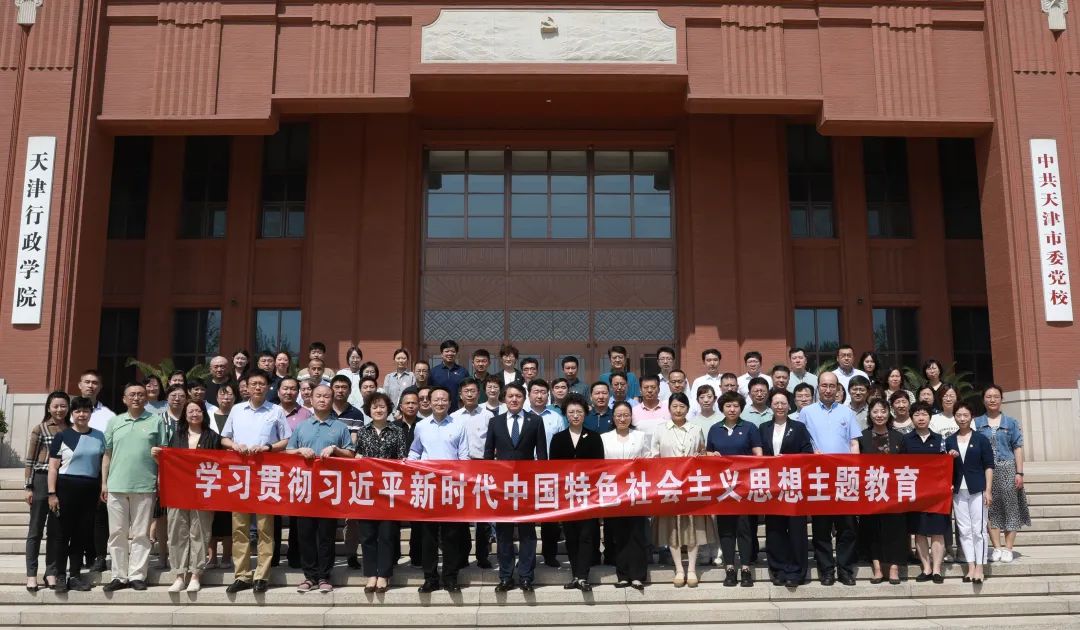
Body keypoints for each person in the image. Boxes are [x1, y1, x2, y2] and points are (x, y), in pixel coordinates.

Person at [219, 369, 293, 593]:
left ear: (268, 387)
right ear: (247, 387)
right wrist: (235, 445)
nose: (258, 387)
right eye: (254, 384)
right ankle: (242, 575)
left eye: (262, 383)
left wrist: (268, 447)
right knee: (239, 527)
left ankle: (262, 575)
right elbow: (224, 438)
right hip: (240, 475)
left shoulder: (276, 410)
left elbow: (286, 440)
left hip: (266, 474)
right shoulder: (237, 409)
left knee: (264, 527)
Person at [284, 384, 353, 593]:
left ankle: (324, 576)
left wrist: (335, 449)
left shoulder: (340, 427)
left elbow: (351, 454)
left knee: (326, 535)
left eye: (326, 396)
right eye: (318, 396)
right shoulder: (302, 426)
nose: (322, 400)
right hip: (305, 489)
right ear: (311, 400)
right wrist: (299, 451)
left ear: (332, 400)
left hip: (329, 490)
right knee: (305, 535)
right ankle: (309, 576)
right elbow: (287, 452)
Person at [101, 381, 167, 592]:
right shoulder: (115, 421)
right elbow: (107, 454)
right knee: (116, 532)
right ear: (124, 399)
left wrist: (159, 479)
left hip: (145, 485)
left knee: (141, 533)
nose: (136, 398)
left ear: (146, 398)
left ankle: (138, 575)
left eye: (140, 394)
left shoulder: (157, 421)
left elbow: (164, 454)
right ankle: (119, 576)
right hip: (116, 485)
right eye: (132, 394)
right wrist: (104, 482)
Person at [153, 400, 221, 593]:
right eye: (190, 411)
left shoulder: (212, 436)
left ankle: (196, 574)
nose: (194, 414)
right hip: (178, 491)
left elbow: (222, 459)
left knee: (199, 532)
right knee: (177, 532)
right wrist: (157, 456)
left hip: (202, 492)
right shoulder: (177, 436)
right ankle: (179, 575)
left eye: (198, 410)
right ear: (185, 414)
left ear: (204, 413)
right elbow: (167, 462)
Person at [800, 371, 861, 586]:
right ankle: (826, 570)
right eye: (824, 386)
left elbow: (854, 443)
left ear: (837, 389)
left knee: (847, 528)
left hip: (844, 477)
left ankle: (845, 570)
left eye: (832, 386)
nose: (828, 390)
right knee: (821, 528)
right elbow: (801, 441)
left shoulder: (847, 412)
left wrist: (856, 471)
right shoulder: (806, 412)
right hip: (819, 478)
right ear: (818, 387)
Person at [486, 383, 548, 591]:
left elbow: (542, 455)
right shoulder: (495, 422)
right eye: (510, 396)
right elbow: (488, 455)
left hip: (526, 485)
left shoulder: (535, 421)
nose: (514, 399)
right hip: (502, 486)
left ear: (524, 398)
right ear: (504, 399)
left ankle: (526, 576)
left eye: (518, 396)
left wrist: (540, 483)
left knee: (527, 532)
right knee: (503, 532)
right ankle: (505, 576)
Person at [409, 387, 469, 592]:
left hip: (451, 487)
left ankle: (450, 577)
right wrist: (408, 464)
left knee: (451, 535)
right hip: (428, 486)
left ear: (450, 402)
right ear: (429, 402)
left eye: (444, 399)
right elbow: (415, 451)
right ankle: (430, 577)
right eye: (436, 400)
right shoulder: (421, 426)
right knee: (428, 536)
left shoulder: (459, 425)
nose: (440, 403)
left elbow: (464, 456)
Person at [652, 394, 716, 588]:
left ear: (688, 409)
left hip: (691, 486)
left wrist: (705, 456)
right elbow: (653, 457)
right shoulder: (660, 430)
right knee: (672, 528)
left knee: (693, 527)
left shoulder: (696, 429)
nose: (678, 410)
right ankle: (679, 569)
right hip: (669, 486)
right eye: (674, 406)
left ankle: (692, 569)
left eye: (682, 406)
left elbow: (702, 453)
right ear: (669, 408)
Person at [46, 396, 104, 593]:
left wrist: (101, 489)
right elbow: (53, 467)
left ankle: (75, 575)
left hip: (89, 491)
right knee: (62, 535)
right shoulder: (62, 436)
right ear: (72, 414)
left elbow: (103, 466)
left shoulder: (99, 436)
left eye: (86, 411)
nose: (82, 414)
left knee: (81, 535)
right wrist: (52, 493)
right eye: (78, 411)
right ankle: (60, 576)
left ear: (90, 413)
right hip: (65, 489)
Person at [706, 390, 762, 587]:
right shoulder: (714, 429)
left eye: (736, 406)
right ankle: (729, 568)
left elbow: (759, 455)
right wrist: (711, 456)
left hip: (744, 487)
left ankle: (745, 568)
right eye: (728, 406)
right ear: (722, 408)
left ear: (741, 408)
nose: (732, 409)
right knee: (726, 529)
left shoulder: (749, 427)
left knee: (744, 528)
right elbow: (708, 454)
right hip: (722, 487)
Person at [550, 394, 605, 591]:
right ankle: (575, 575)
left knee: (587, 535)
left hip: (588, 495)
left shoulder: (594, 437)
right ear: (565, 414)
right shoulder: (558, 439)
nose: (575, 415)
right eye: (571, 412)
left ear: (585, 414)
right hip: (567, 495)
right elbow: (553, 468)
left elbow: (599, 467)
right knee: (571, 536)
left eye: (579, 412)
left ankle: (583, 576)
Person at [354, 392, 408, 592]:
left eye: (382, 407)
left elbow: (402, 459)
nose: (378, 410)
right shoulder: (363, 431)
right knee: (367, 534)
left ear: (388, 409)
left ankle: (384, 574)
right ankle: (371, 574)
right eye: (375, 407)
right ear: (369, 410)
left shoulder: (397, 431)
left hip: (389, 490)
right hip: (367, 489)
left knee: (386, 534)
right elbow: (357, 456)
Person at [759, 389, 813, 588]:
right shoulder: (763, 427)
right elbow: (758, 455)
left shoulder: (798, 427)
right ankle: (778, 569)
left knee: (797, 529)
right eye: (776, 403)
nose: (780, 406)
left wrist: (788, 460)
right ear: (770, 406)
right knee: (775, 529)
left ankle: (797, 571)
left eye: (783, 403)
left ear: (790, 405)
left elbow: (807, 453)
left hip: (794, 485)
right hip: (772, 486)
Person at [975, 385, 1030, 563]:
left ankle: (1008, 548)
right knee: (990, 508)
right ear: (983, 400)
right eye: (988, 396)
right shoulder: (976, 423)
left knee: (1011, 508)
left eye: (996, 396)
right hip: (985, 470)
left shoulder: (1011, 422)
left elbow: (1017, 447)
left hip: (1007, 467)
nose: (992, 400)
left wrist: (1019, 472)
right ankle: (997, 547)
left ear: (1001, 399)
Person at [600, 400, 651, 590]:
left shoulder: (641, 436)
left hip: (636, 490)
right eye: (619, 415)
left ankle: (637, 575)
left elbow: (650, 459)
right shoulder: (604, 438)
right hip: (614, 491)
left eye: (626, 415)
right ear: (613, 418)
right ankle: (622, 575)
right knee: (619, 534)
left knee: (636, 533)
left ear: (631, 417)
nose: (622, 419)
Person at [857, 399, 908, 585]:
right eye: (875, 411)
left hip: (894, 492)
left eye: (883, 411)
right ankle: (877, 568)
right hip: (870, 490)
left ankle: (894, 568)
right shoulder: (862, 437)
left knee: (896, 529)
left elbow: (908, 465)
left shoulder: (899, 437)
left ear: (889, 413)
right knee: (872, 529)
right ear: (870, 414)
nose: (879, 415)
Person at [24, 391, 68, 591]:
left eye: (63, 406)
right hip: (41, 480)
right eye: (55, 406)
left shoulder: (72, 429)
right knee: (35, 530)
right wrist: (28, 486)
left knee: (55, 531)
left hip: (63, 481)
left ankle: (51, 572)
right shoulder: (40, 428)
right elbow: (30, 460)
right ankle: (31, 574)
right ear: (49, 408)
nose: (59, 410)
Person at [946, 402, 994, 583]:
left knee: (979, 529)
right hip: (958, 490)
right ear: (954, 417)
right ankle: (970, 566)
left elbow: (989, 466)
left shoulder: (981, 439)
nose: (962, 418)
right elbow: (945, 467)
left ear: (971, 416)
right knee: (964, 530)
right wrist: (949, 457)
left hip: (977, 489)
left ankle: (980, 567)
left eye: (965, 415)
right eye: (958, 415)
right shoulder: (950, 440)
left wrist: (988, 490)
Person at [451, 378, 494, 570]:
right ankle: (462, 555)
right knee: (461, 514)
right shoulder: (453, 417)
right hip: (460, 468)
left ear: (479, 393)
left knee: (483, 516)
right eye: (466, 391)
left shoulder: (488, 416)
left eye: (473, 391)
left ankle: (483, 556)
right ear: (460, 395)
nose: (469, 394)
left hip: (482, 466)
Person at [904, 402, 949, 583]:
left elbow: (946, 465)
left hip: (937, 494)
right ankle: (926, 568)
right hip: (915, 493)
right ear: (911, 418)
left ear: (930, 417)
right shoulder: (906, 440)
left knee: (938, 531)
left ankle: (937, 569)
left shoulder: (940, 439)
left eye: (924, 414)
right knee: (919, 532)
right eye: (917, 415)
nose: (921, 418)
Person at [206, 381, 239, 570]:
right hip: (211, 470)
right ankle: (211, 556)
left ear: (235, 397)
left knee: (228, 515)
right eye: (222, 394)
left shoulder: (239, 414)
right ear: (216, 397)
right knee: (211, 514)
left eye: (229, 394)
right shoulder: (208, 415)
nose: (225, 398)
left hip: (232, 471)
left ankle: (227, 556)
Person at [430, 340, 468, 410]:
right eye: (447, 351)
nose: (450, 353)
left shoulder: (463, 371)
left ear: (456, 353)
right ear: (441, 354)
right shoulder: (433, 372)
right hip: (439, 409)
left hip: (458, 410)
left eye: (453, 351)